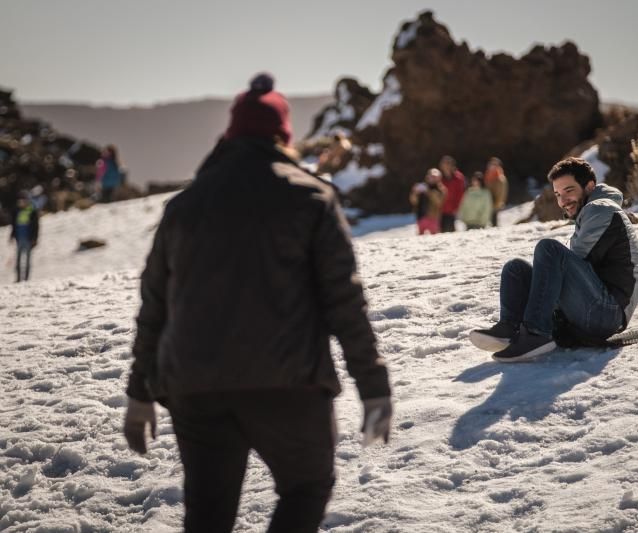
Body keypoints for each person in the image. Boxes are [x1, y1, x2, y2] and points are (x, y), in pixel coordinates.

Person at [122, 72, 392, 533]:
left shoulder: (184, 207)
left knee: (208, 513)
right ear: (282, 136)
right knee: (306, 487)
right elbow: (343, 301)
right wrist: (374, 385)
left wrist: (138, 392)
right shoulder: (310, 197)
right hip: (287, 383)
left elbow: (155, 305)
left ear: (230, 135)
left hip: (194, 385)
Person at [469, 157, 638, 362]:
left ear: (589, 186)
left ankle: (536, 333)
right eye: (558, 194)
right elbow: (572, 270)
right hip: (589, 306)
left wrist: (542, 294)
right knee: (516, 268)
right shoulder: (590, 211)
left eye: (569, 191)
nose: (562, 201)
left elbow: (572, 262)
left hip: (607, 315)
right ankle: (510, 327)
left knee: (549, 249)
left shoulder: (601, 208)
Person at [9, 191, 39, 283]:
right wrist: (12, 236)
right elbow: (14, 225)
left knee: (27, 260)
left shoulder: (32, 211)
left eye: (23, 201)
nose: (21, 203)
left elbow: (36, 226)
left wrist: (34, 239)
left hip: (28, 239)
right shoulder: (16, 211)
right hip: (19, 239)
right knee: (18, 260)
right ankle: (18, 278)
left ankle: (26, 279)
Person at [409, 168, 447, 235]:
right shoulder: (422, 187)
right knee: (420, 239)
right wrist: (414, 192)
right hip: (421, 217)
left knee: (435, 238)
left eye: (434, 177)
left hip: (433, 218)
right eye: (431, 176)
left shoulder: (441, 189)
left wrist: (428, 192)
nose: (432, 178)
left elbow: (439, 202)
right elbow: (414, 201)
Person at [437, 155, 465, 232]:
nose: (445, 167)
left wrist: (457, 207)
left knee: (451, 229)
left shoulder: (458, 178)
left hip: (452, 209)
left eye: (447, 164)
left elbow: (460, 194)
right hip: (439, 209)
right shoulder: (439, 177)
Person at [483, 157, 508, 226]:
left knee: (494, 219)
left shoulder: (500, 178)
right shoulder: (487, 175)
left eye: (494, 164)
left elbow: (502, 192)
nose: (492, 166)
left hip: (495, 202)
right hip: (488, 200)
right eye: (491, 164)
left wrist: (498, 202)